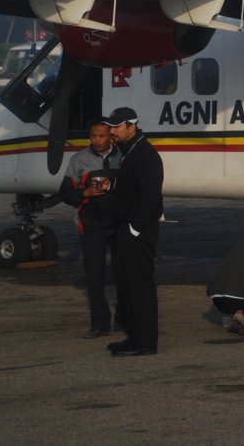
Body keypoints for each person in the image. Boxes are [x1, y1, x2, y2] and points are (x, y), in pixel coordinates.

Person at [103, 107, 164, 358]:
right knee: (129, 285)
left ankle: (146, 342)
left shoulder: (146, 155)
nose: (113, 132)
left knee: (141, 287)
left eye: (117, 127)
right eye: (112, 128)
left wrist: (134, 229)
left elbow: (151, 197)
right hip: (127, 230)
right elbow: (134, 187)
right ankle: (135, 336)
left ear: (132, 126)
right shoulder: (129, 152)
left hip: (138, 232)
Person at [59, 120, 122, 338]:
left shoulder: (122, 157)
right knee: (94, 276)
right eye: (93, 136)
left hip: (119, 224)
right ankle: (99, 324)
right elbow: (65, 192)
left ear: (110, 136)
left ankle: (124, 319)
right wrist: (83, 194)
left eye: (101, 136)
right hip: (92, 226)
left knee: (123, 272)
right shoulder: (79, 160)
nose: (96, 140)